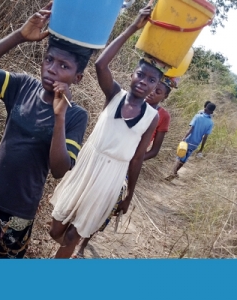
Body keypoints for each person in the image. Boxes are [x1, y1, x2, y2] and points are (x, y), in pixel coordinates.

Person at [0, 2, 91, 259]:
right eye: (49, 59)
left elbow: (60, 170)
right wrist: (19, 36)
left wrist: (59, 118)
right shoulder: (23, 86)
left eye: (64, 65)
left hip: (16, 217)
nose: (52, 68)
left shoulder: (75, 115)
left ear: (78, 77)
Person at [48, 6, 162, 259]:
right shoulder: (114, 95)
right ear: (132, 76)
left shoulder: (152, 118)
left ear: (155, 88)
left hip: (112, 176)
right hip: (88, 163)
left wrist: (128, 194)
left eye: (151, 80)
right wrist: (134, 27)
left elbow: (137, 158)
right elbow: (101, 64)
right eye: (140, 75)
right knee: (55, 228)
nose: (144, 82)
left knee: (72, 236)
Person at [73, 76, 177, 258]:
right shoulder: (130, 102)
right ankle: (69, 228)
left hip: (125, 166)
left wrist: (133, 159)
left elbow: (154, 150)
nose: (152, 93)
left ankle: (82, 244)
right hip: (106, 159)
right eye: (153, 89)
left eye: (159, 92)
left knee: (105, 205)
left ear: (165, 97)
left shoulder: (162, 116)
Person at [166, 101, 215, 180]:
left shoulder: (197, 116)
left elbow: (191, 129)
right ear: (212, 112)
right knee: (184, 159)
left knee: (179, 157)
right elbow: (205, 137)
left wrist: (184, 138)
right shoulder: (211, 123)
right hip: (196, 143)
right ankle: (174, 173)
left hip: (188, 140)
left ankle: (173, 173)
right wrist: (201, 149)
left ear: (205, 109)